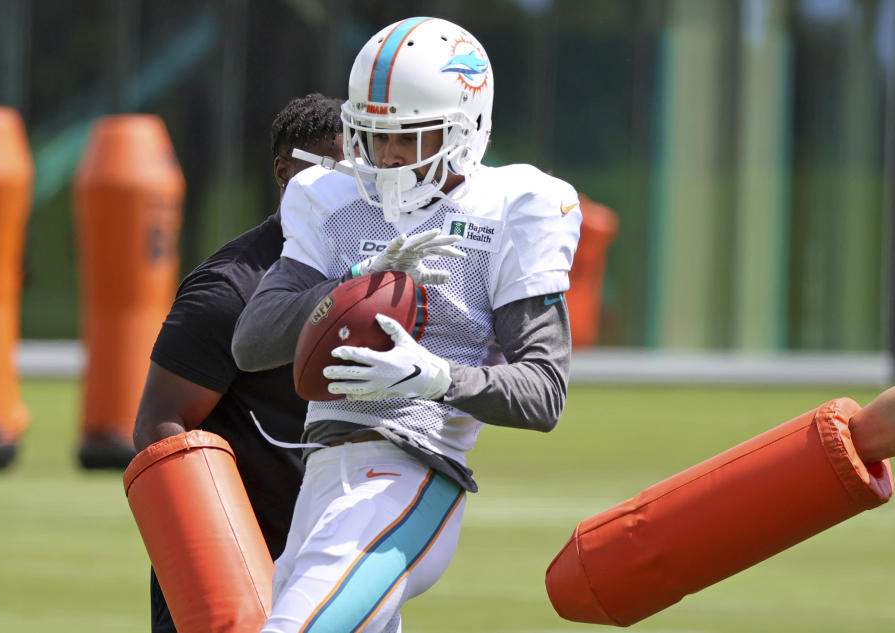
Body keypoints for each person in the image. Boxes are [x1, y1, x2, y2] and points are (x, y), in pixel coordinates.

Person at [231, 17, 582, 633]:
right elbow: (253, 340)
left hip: (408, 473)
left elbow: (544, 392)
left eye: (412, 138)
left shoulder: (511, 209)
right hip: (320, 480)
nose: (389, 157)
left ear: (466, 130)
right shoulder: (331, 198)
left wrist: (437, 378)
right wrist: (350, 281)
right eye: (373, 136)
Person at [131, 92, 344, 633]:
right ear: (284, 172)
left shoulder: (369, 277)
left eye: (364, 172)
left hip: (337, 567)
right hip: (238, 586)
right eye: (332, 168)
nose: (350, 187)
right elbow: (161, 424)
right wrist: (220, 579)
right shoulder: (231, 288)